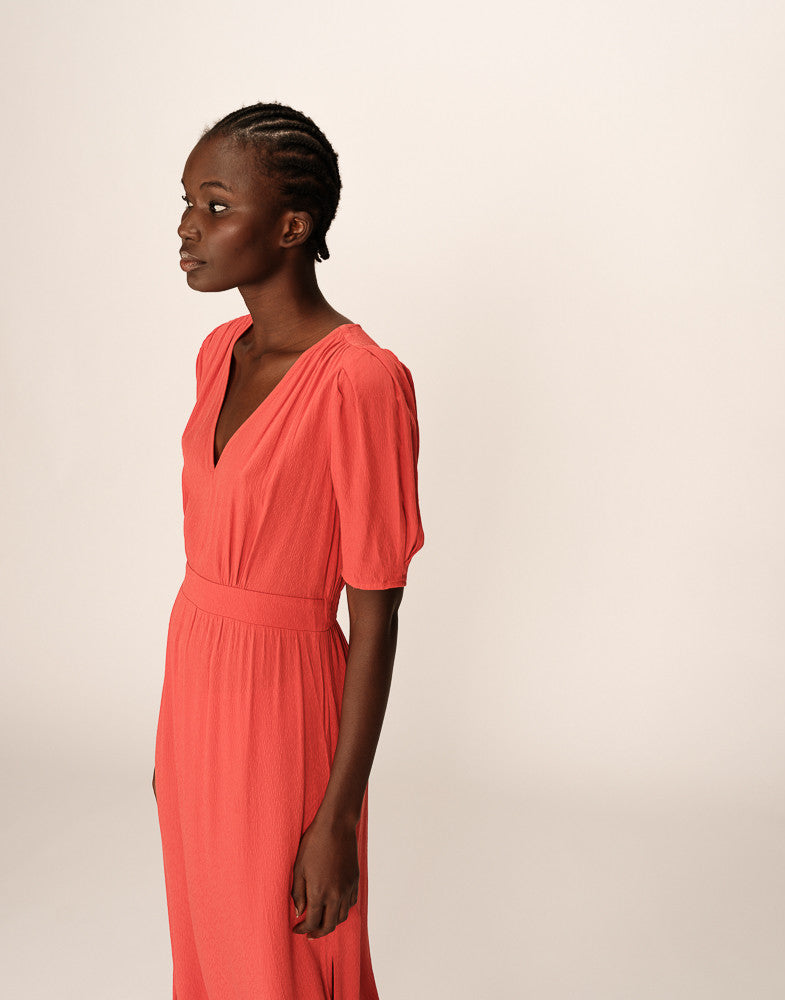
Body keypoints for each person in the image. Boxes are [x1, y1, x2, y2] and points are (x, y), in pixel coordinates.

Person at [151, 102, 425, 999]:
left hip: (282, 705)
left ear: (293, 226)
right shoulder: (217, 351)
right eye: (186, 202)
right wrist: (173, 741)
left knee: (285, 958)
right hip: (195, 687)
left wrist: (337, 819)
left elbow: (377, 613)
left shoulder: (359, 380)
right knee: (209, 945)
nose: (188, 227)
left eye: (217, 205)